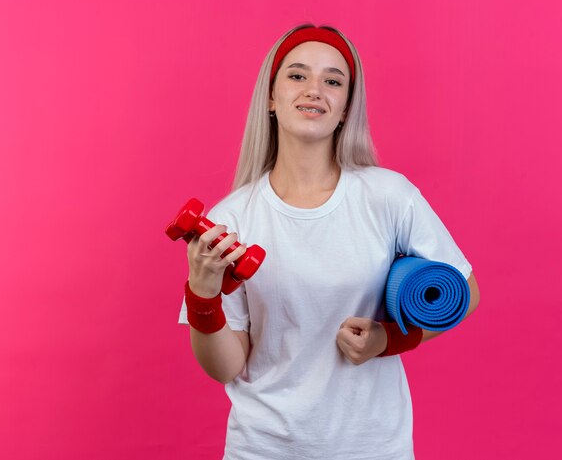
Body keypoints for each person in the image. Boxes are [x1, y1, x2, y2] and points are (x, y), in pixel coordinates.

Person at [178, 24, 480, 460]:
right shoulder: (231, 220)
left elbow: (464, 291)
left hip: (373, 447)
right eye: (297, 76)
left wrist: (389, 341)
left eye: (333, 80)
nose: (314, 89)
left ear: (344, 109)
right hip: (264, 448)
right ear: (270, 97)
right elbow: (226, 367)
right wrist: (202, 293)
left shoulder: (389, 196)